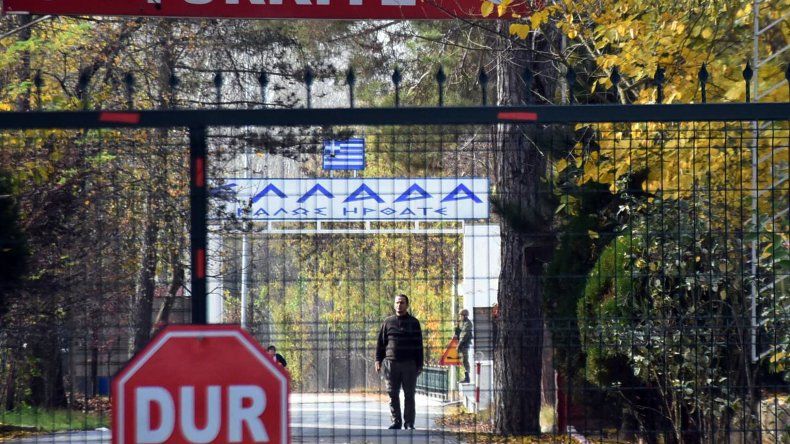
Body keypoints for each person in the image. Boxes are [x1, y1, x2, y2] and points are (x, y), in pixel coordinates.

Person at [375, 294, 424, 431]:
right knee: (392, 394)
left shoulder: (414, 322)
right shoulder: (388, 322)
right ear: (394, 304)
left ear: (407, 305)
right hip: (391, 364)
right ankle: (396, 421)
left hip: (409, 364)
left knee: (409, 395)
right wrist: (378, 360)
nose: (399, 305)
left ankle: (409, 423)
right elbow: (381, 343)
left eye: (402, 302)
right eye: (397, 302)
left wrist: (420, 364)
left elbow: (419, 345)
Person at [453, 309, 473, 383]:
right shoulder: (461, 322)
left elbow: (464, 335)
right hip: (460, 344)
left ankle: (467, 377)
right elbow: (458, 332)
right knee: (462, 361)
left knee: (465, 360)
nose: (460, 317)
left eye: (461, 315)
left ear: (465, 316)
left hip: (464, 344)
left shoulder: (468, 323)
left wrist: (459, 344)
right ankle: (465, 376)